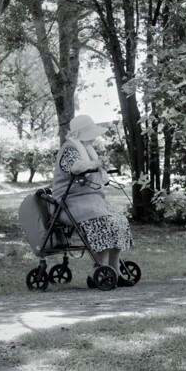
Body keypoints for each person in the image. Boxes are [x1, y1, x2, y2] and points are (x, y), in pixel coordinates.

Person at [51, 114, 133, 280]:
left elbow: (91, 170)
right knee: (102, 223)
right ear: (82, 133)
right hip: (70, 203)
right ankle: (99, 268)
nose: (95, 137)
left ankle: (114, 268)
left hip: (91, 201)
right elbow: (76, 168)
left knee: (119, 220)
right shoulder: (69, 149)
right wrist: (97, 164)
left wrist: (101, 165)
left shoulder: (87, 150)